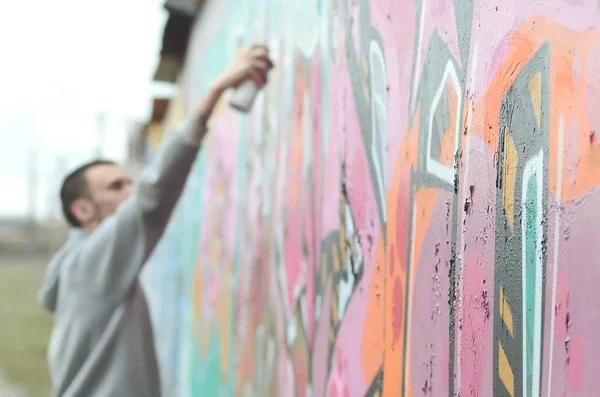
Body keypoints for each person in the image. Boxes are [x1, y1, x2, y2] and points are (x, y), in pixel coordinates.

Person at [38, 44, 274, 397]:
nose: (129, 192)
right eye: (115, 187)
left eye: (128, 182)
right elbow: (153, 198)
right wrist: (215, 92)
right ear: (82, 211)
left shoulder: (78, 267)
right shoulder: (89, 264)